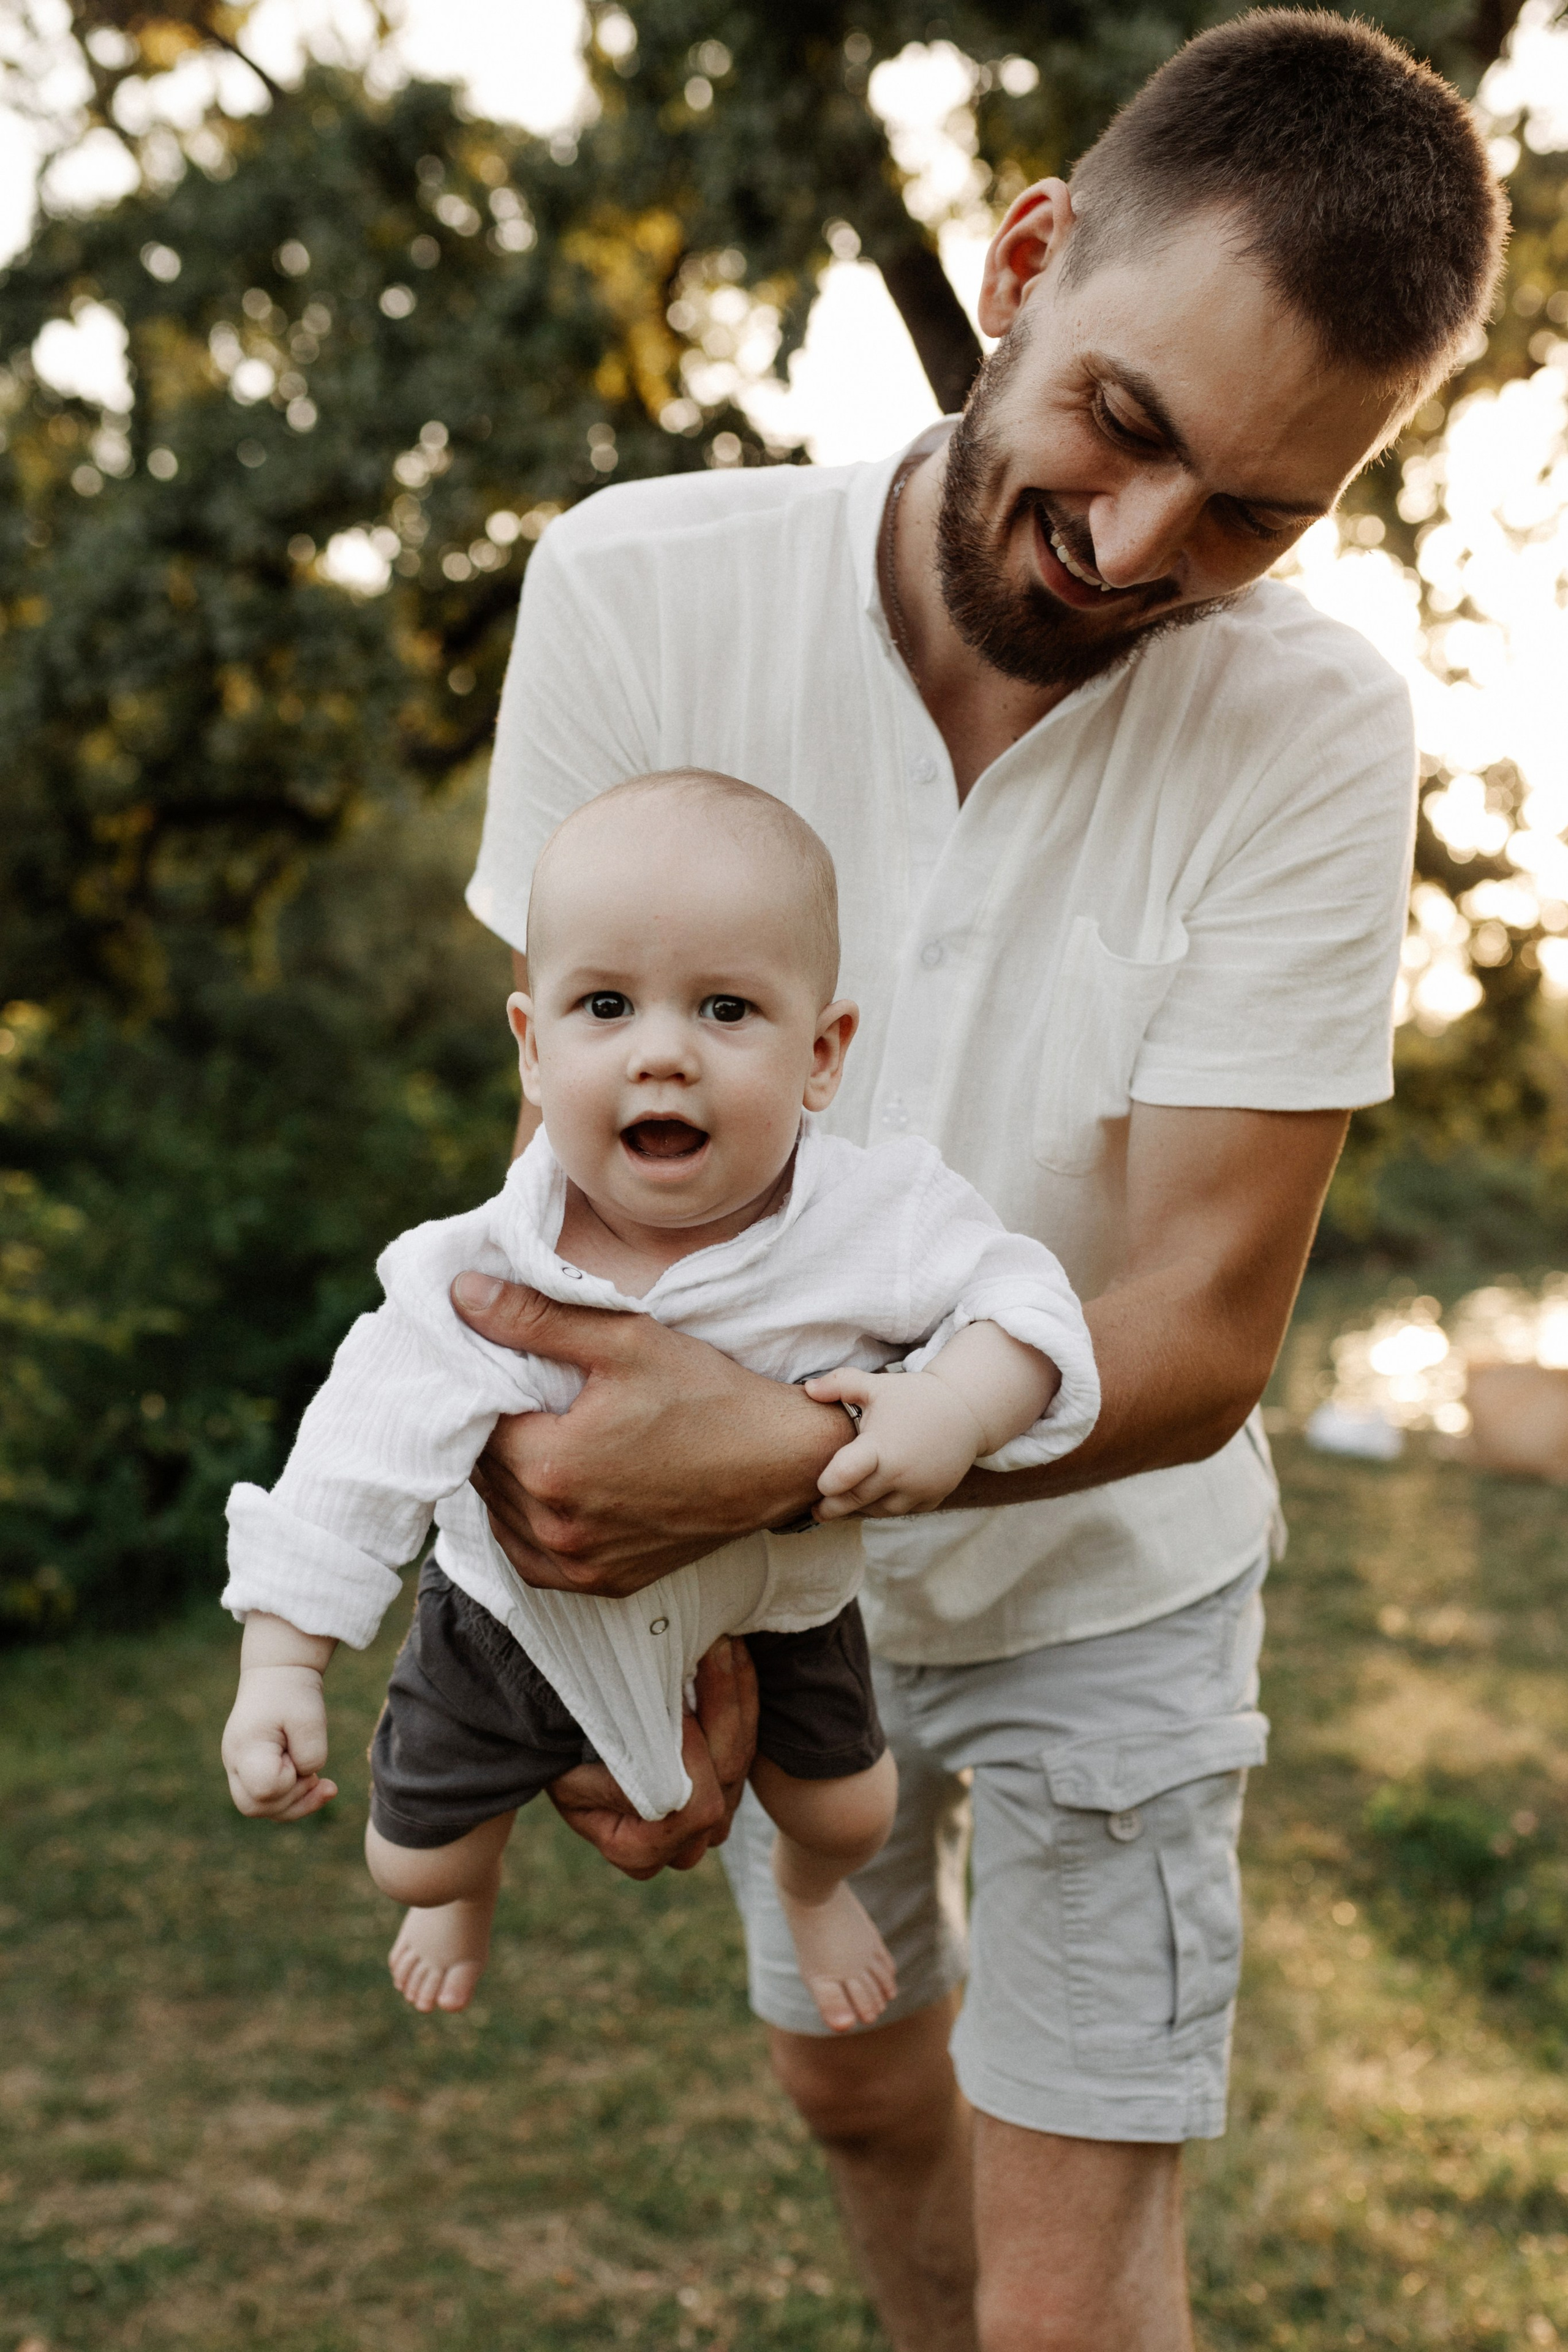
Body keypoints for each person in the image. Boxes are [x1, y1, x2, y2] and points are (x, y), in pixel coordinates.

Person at [445, 15, 1507, 2346]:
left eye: (1252, 513)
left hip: (1108, 1586)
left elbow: (1211, 1325)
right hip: (777, 1604)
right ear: (1027, 259)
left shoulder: (1313, 725)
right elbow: (578, 1189)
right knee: (848, 2094)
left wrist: (777, 1457)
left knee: (1074, 2286)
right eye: (1125, 427)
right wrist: (644, 1605)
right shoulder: (639, 588)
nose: (1143, 551)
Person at [219, 771, 1098, 2035]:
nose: (662, 1050)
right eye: (605, 1006)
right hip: (511, 1618)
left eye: (727, 1007)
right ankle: (462, 1895)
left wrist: (955, 1406)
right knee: (413, 1858)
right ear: (531, 1044)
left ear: (821, 1054)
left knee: (850, 1813)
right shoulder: (476, 1268)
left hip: (776, 1604)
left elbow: (1028, 1302)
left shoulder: (875, 1216)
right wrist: (280, 1664)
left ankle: (807, 1893)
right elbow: (353, 1456)